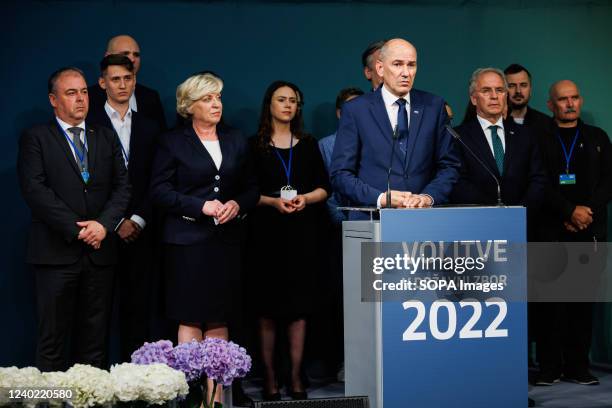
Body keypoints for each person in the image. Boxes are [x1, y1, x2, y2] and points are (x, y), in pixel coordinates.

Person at [150, 72, 258, 401]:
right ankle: (191, 398)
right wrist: (201, 206)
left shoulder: (236, 138)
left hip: (225, 243)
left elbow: (252, 188)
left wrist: (236, 204)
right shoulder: (171, 141)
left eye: (218, 98)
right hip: (187, 243)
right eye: (208, 99)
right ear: (188, 106)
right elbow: (159, 190)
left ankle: (216, 400)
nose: (216, 104)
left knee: (219, 316)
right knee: (190, 315)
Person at [17, 67, 130, 371]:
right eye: (71, 93)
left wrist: (103, 225)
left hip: (99, 255)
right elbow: (35, 190)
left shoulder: (104, 137)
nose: (81, 99)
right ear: (54, 100)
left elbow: (122, 187)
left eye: (83, 92)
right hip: (55, 255)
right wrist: (77, 229)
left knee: (95, 343)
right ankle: (49, 403)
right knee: (52, 341)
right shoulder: (37, 138)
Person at [248, 81, 330, 401]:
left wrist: (305, 199)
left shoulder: (309, 145)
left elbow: (325, 188)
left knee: (299, 309)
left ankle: (296, 375)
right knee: (267, 310)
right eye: (281, 100)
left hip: (302, 235)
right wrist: (273, 202)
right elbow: (246, 193)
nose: (287, 105)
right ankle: (269, 377)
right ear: (269, 104)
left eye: (293, 101)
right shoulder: (254, 145)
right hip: (265, 236)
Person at [534, 80, 612, 386]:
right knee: (549, 305)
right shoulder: (539, 139)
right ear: (551, 104)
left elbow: (609, 181)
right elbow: (538, 182)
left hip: (589, 234)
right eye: (562, 99)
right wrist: (568, 212)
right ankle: (549, 367)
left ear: (580, 101)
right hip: (550, 233)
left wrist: (585, 212)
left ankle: (579, 366)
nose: (570, 104)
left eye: (575, 98)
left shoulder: (597, 138)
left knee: (582, 304)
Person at [87, 54, 161, 361]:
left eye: (127, 79)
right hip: (102, 231)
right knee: (96, 316)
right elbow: (86, 183)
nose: (122, 85)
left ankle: (138, 386)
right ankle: (95, 389)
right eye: (115, 79)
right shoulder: (88, 123)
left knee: (138, 314)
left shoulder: (150, 125)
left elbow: (157, 178)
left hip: (141, 231)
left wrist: (139, 219)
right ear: (102, 83)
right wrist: (115, 221)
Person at [330, 38, 460, 215]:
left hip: (424, 219)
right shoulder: (356, 110)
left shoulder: (434, 106)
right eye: (398, 64)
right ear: (380, 68)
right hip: (372, 219)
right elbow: (341, 174)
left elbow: (449, 166)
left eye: (411, 65)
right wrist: (381, 199)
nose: (406, 73)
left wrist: (428, 197)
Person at [450, 67, 546, 237]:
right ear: (474, 98)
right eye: (486, 91)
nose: (494, 96)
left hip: (524, 227)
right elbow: (459, 183)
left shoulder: (526, 135)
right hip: (477, 228)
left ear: (505, 96)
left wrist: (518, 214)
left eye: (500, 90)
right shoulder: (458, 137)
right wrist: (496, 214)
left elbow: (538, 180)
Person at [88, 35, 167, 130]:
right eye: (125, 54)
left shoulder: (150, 97)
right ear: (107, 57)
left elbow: (161, 136)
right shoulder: (88, 97)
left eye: (136, 55)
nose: (132, 59)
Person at [504, 63, 552, 132]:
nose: (518, 91)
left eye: (523, 85)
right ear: (503, 90)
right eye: (511, 86)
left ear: (530, 89)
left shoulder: (546, 124)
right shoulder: (494, 122)